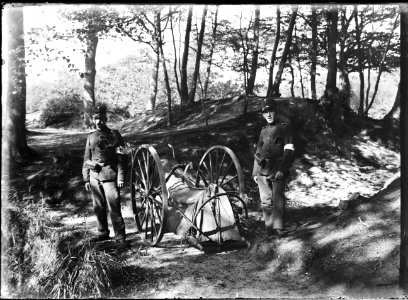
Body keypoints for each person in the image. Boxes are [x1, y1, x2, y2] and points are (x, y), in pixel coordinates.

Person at [82, 105, 127, 245]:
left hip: (110, 176)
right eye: (96, 119)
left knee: (114, 207)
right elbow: (86, 158)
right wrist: (86, 178)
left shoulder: (115, 134)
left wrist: (121, 176)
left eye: (101, 118)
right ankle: (102, 234)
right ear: (93, 120)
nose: (98, 122)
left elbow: (122, 157)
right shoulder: (90, 137)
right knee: (98, 207)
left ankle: (120, 237)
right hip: (95, 178)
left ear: (105, 119)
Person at [252, 98, 295, 237]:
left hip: (277, 168)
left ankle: (279, 228)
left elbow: (289, 150)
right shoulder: (263, 131)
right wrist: (254, 172)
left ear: (275, 112)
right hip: (262, 169)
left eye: (271, 111)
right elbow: (258, 153)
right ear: (263, 114)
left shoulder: (285, 127)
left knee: (278, 198)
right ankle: (269, 228)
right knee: (265, 200)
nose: (268, 114)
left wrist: (282, 170)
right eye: (265, 112)